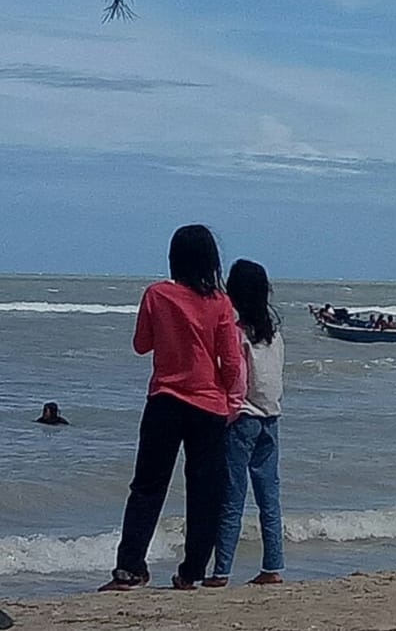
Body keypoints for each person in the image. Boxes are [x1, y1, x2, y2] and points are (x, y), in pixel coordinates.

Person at [100, 225, 243, 592]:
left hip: (165, 399)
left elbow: (141, 344)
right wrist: (233, 401)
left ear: (173, 258)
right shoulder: (220, 303)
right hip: (208, 405)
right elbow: (230, 360)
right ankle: (191, 571)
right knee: (204, 491)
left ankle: (129, 568)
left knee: (147, 487)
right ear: (212, 260)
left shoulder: (157, 294)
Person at [206, 260, 285, 588]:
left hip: (244, 419)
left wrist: (228, 413)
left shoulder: (238, 335)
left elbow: (238, 380)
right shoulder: (275, 335)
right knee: (269, 496)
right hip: (272, 416)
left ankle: (221, 570)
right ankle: (274, 565)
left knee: (232, 496)